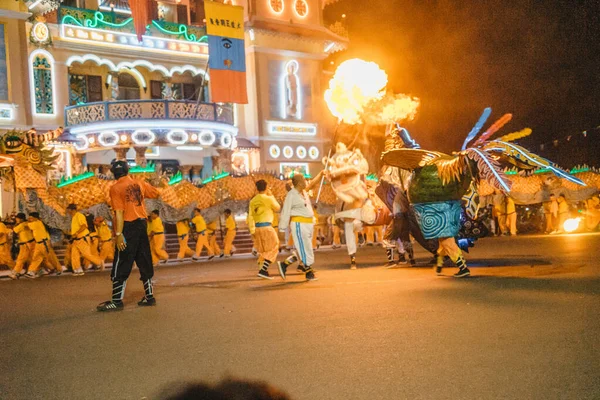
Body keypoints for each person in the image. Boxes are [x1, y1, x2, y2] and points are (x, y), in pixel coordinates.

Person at [96, 160, 160, 312]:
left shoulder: (115, 188)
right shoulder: (139, 183)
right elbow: (156, 193)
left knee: (122, 260)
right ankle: (149, 297)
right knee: (143, 258)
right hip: (142, 224)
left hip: (128, 226)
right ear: (127, 171)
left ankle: (116, 301)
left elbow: (119, 212)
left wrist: (118, 234)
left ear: (114, 174)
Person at [277, 174, 321, 281]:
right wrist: (282, 229)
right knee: (303, 248)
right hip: (299, 224)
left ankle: (284, 265)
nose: (306, 181)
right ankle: (308, 272)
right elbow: (285, 212)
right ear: (299, 183)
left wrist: (320, 175)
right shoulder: (291, 195)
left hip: (308, 224)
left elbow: (313, 183)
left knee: (306, 248)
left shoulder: (304, 192)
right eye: (304, 180)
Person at [247, 179, 281, 279]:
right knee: (275, 246)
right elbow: (277, 208)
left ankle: (263, 270)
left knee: (263, 250)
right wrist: (271, 196)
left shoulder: (253, 201)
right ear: (266, 187)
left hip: (257, 228)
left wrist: (252, 229)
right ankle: (263, 270)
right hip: (267, 227)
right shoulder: (268, 199)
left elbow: (250, 216)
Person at [67, 204, 103, 274]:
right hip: (76, 240)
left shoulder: (79, 216)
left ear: (72, 210)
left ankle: (99, 262)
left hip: (82, 238)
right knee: (74, 254)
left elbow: (84, 226)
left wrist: (76, 233)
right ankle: (77, 269)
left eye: (68, 209)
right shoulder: (73, 217)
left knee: (86, 254)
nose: (67, 211)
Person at [24, 212, 62, 278]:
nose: (29, 219)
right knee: (36, 257)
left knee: (50, 257)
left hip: (44, 243)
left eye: (31, 218)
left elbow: (26, 225)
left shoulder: (37, 223)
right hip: (39, 243)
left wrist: (23, 221)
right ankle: (31, 272)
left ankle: (58, 269)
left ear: (35, 218)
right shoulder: (37, 223)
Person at [9, 213, 34, 279]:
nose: (16, 219)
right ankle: (36, 270)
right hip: (28, 243)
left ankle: (16, 273)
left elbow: (14, 230)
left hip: (26, 244)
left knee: (21, 259)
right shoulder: (27, 223)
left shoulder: (22, 225)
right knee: (29, 258)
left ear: (21, 219)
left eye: (17, 218)